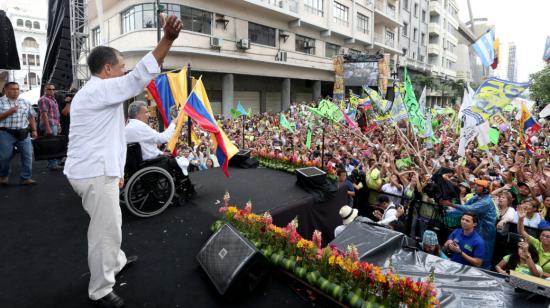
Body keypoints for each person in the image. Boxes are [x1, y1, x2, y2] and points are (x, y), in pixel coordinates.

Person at [63, 15, 182, 307]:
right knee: (105, 231)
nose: (124, 70)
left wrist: (116, 172)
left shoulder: (93, 93)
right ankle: (101, 290)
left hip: (97, 170)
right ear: (107, 70)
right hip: (94, 173)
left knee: (110, 222)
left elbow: (111, 137)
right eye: (120, 67)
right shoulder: (100, 89)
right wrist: (166, 40)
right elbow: (137, 78)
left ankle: (116, 262)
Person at [441, 179, 496, 269]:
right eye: (475, 184)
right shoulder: (477, 197)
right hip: (476, 229)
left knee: (483, 260)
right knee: (466, 253)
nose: (475, 186)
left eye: (478, 185)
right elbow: (464, 209)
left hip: (486, 234)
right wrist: (446, 212)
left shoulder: (487, 202)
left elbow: (469, 209)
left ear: (485, 189)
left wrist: (451, 204)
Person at [0, 81, 38, 185]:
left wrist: (34, 130)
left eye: (17, 89)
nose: (15, 91)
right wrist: (9, 112)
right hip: (5, 133)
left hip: (23, 132)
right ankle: (3, 175)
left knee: (28, 155)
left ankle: (25, 177)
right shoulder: (0, 102)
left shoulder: (25, 102)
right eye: (12, 89)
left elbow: (31, 116)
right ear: (5, 90)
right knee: (4, 157)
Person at [517, 208, 550, 279]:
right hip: (529, 275)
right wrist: (521, 219)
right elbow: (522, 232)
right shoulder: (537, 243)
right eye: (542, 235)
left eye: (548, 237)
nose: (544, 238)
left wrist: (538, 272)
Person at [37, 83, 62, 170]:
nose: (51, 91)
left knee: (53, 144)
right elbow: (44, 115)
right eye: (49, 89)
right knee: (51, 144)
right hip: (49, 125)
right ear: (45, 90)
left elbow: (55, 114)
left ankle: (52, 163)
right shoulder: (44, 99)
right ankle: (52, 164)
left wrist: (58, 124)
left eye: (53, 89)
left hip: (53, 124)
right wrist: (48, 128)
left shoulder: (53, 99)